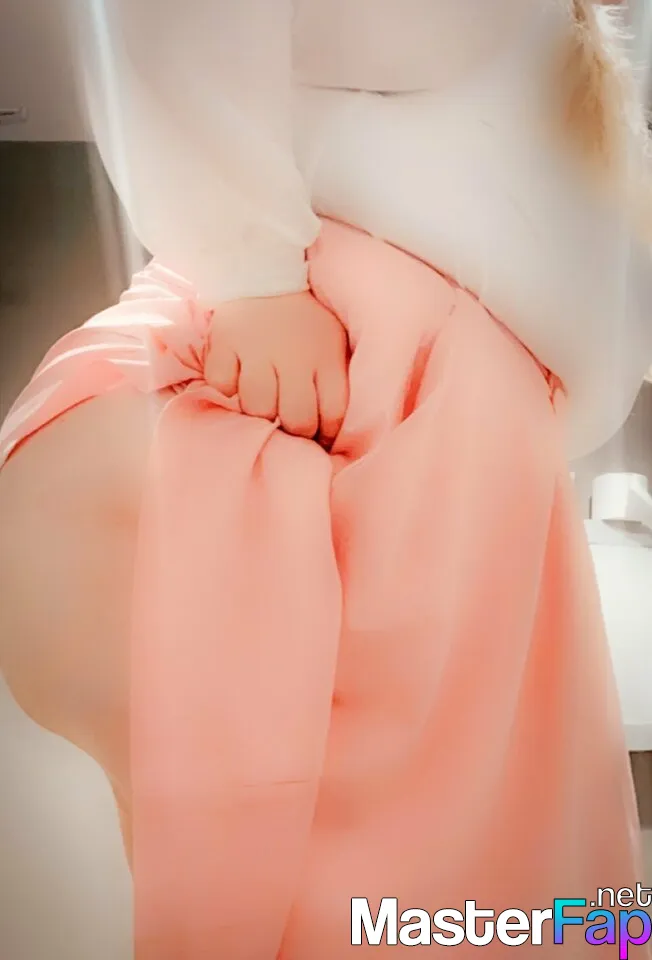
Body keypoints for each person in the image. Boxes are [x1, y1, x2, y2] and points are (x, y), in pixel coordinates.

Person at [0, 2, 650, 956]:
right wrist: (250, 275)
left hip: (394, 406)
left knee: (453, 896)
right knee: (431, 900)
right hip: (346, 390)